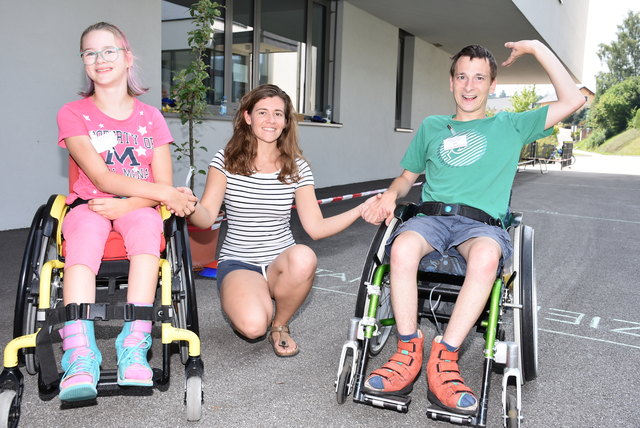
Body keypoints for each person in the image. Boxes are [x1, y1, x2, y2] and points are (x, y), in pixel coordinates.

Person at [360, 41, 585, 414]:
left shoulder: (510, 125)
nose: (469, 86)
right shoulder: (433, 126)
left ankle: (444, 358)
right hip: (431, 217)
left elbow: (572, 100)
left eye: (479, 78)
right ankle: (408, 349)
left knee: (485, 259)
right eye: (462, 76)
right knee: (400, 249)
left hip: (480, 225)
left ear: (492, 85)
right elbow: (405, 178)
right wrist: (389, 196)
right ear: (451, 83)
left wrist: (537, 49)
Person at [56, 22, 197, 402]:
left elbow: (161, 182)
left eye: (109, 51)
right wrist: (166, 193)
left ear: (127, 57)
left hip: (138, 206)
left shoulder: (151, 117)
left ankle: (134, 344)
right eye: (91, 53)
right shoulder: (73, 113)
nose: (100, 59)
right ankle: (79, 352)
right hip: (92, 203)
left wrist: (134, 203)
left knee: (149, 229)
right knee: (83, 235)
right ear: (84, 62)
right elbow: (101, 176)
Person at [185, 84, 374, 357]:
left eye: (278, 114)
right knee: (252, 328)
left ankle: (281, 325)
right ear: (248, 117)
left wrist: (360, 209)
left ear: (286, 122)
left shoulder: (296, 167)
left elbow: (316, 228)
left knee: (304, 257)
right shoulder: (225, 161)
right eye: (262, 112)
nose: (270, 120)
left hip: (280, 260)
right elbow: (206, 218)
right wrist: (190, 204)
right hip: (240, 262)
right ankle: (255, 300)